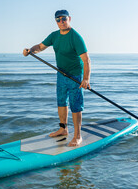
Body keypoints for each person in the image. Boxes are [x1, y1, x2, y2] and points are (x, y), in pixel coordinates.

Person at [23, 10, 91, 147]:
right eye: (58, 20)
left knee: (75, 105)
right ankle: (63, 129)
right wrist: (30, 50)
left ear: (69, 19)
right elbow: (40, 47)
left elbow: (86, 60)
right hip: (61, 74)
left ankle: (78, 136)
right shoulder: (54, 36)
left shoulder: (75, 37)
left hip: (75, 75)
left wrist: (86, 79)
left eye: (63, 19)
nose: (61, 22)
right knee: (61, 102)